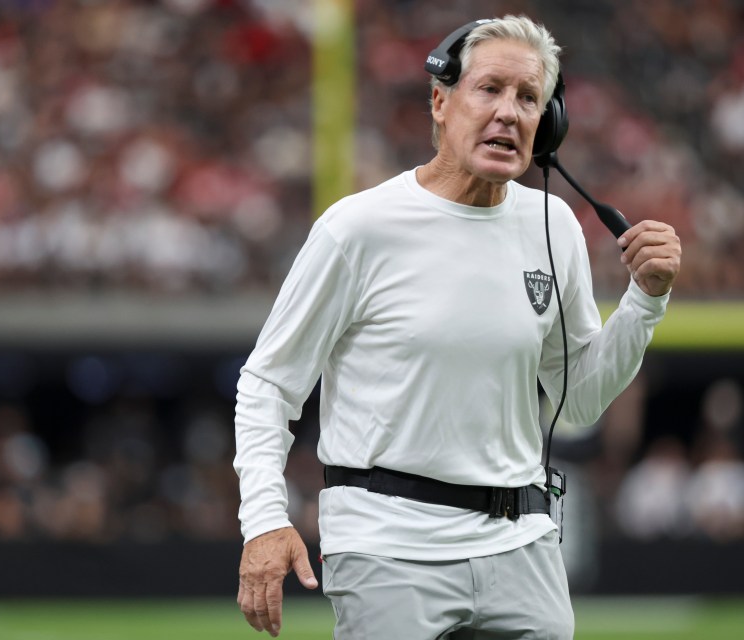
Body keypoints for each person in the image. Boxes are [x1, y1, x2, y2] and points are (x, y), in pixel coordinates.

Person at [234, 15, 681, 639]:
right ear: (440, 102)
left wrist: (645, 302)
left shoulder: (555, 225)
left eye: (529, 98)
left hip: (524, 547)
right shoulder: (357, 228)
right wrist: (263, 520)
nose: (509, 112)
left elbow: (578, 400)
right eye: (490, 88)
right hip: (388, 550)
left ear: (547, 126)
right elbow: (268, 385)